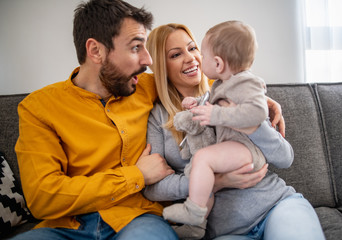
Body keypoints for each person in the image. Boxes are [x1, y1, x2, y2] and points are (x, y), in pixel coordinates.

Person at [143, 23, 325, 240]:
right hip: (226, 231)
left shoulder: (234, 92)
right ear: (161, 65)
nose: (191, 58)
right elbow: (153, 189)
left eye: (193, 48)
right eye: (175, 54)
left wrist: (254, 127)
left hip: (276, 205)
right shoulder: (158, 118)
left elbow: (285, 158)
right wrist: (217, 181)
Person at [13, 1, 178, 239]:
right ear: (96, 51)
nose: (148, 60)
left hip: (137, 219)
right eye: (135, 48)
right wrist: (137, 176)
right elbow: (43, 197)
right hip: (66, 227)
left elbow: (215, 85)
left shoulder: (148, 86)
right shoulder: (38, 108)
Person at [163, 21, 268, 226]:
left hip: (246, 150)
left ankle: (193, 211)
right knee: (199, 169)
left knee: (203, 158)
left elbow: (258, 111)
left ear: (218, 63)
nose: (195, 58)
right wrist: (196, 106)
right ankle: (196, 227)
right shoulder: (221, 85)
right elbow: (212, 110)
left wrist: (216, 114)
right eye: (176, 54)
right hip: (234, 147)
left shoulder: (245, 82)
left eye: (198, 51)